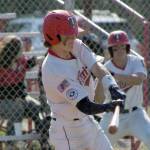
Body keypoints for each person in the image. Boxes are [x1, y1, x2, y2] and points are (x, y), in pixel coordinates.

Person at [41, 10, 126, 150]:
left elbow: (97, 67)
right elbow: (84, 105)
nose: (73, 38)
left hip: (87, 122)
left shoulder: (76, 45)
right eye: (67, 35)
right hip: (66, 131)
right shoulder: (52, 68)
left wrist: (112, 87)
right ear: (52, 36)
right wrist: (108, 107)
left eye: (74, 33)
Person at [98, 30, 150, 149]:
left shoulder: (136, 61)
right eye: (115, 48)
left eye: (122, 47)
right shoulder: (105, 68)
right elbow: (98, 99)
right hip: (113, 114)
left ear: (127, 47)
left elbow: (139, 79)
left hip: (136, 114)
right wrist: (99, 80)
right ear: (110, 50)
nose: (120, 51)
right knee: (98, 145)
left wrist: (114, 76)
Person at [0, 36, 43, 138]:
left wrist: (42, 58)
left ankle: (40, 138)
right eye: (20, 47)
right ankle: (13, 140)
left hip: (21, 98)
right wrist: (16, 99)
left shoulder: (21, 61)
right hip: (3, 100)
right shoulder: (2, 64)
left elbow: (30, 62)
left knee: (36, 106)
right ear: (13, 50)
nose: (22, 49)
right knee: (17, 108)